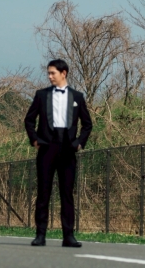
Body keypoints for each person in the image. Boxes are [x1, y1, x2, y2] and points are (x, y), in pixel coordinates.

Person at [24, 59, 92, 247]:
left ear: (64, 73)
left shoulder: (77, 96)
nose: (49, 76)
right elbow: (29, 120)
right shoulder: (41, 95)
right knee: (43, 193)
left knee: (67, 194)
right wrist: (35, 140)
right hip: (47, 147)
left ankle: (68, 236)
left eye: (52, 73)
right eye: (48, 73)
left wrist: (79, 143)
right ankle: (40, 235)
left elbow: (87, 124)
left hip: (68, 149)